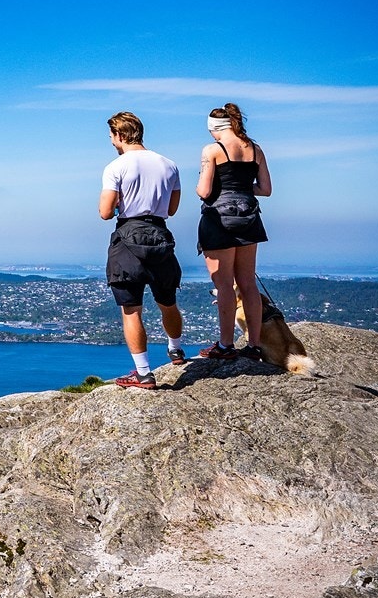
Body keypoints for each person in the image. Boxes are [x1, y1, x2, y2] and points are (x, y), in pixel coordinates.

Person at [99, 111, 187, 388]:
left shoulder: (116, 166)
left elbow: (104, 212)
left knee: (131, 310)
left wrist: (120, 202)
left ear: (120, 135)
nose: (112, 142)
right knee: (167, 301)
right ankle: (175, 349)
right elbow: (172, 209)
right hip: (159, 236)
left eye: (112, 136)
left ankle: (144, 373)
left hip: (127, 240)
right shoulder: (169, 165)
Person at [196, 102, 271, 360]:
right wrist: (240, 190)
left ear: (215, 128)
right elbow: (266, 189)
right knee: (248, 282)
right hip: (249, 217)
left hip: (220, 220)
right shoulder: (255, 149)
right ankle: (254, 345)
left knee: (224, 284)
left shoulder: (213, 150)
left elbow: (204, 191)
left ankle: (226, 345)